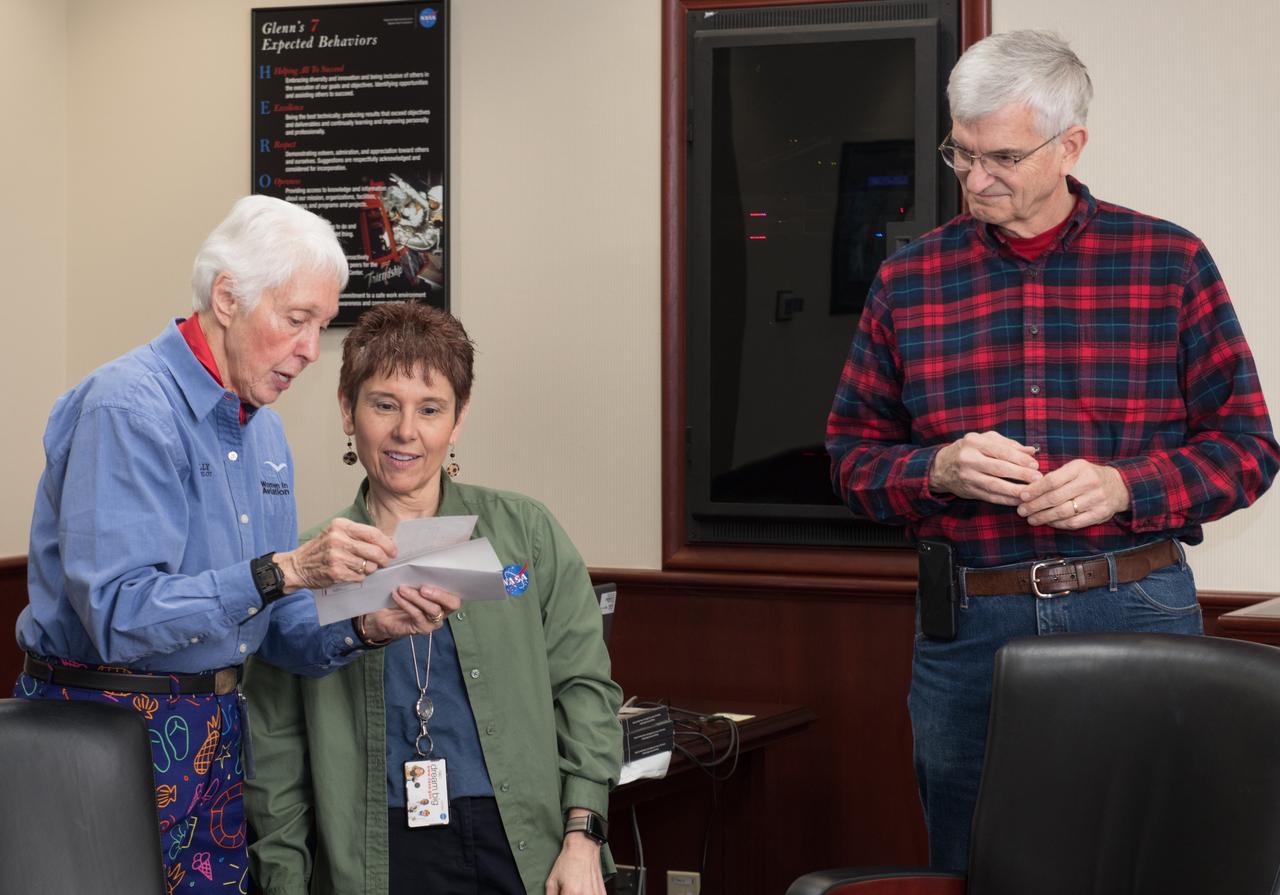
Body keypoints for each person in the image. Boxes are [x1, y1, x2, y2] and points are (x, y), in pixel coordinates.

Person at [825, 30, 1279, 871]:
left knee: (1161, 863)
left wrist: (1126, 486)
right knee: (977, 864)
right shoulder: (908, 282)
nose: (975, 178)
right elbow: (851, 459)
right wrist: (936, 468)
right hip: (969, 629)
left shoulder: (1168, 262)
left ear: (1071, 145)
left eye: (1001, 156)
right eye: (961, 154)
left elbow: (1250, 448)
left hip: (1137, 605)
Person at [13, 195, 457, 895]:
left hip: (218, 736)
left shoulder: (265, 434)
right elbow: (119, 616)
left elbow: (273, 627)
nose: (312, 350)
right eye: (297, 319)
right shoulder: (127, 407)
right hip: (103, 733)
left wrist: (368, 623)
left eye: (321, 325)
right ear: (227, 297)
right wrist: (282, 569)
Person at [243, 302, 623, 895]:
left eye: (430, 409)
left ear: (458, 420)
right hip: (376, 852)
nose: (406, 432)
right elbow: (275, 745)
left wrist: (582, 837)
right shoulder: (307, 563)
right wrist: (285, 880)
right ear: (348, 410)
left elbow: (584, 690)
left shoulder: (523, 534)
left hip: (521, 841)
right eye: (384, 404)